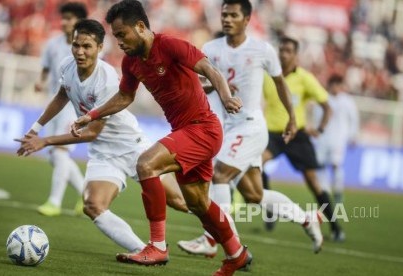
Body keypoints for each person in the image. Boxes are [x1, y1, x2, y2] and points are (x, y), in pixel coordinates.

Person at [72, 1, 250, 275]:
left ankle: (156, 246)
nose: (119, 41)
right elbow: (125, 97)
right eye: (115, 36)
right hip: (185, 132)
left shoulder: (170, 45)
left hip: (203, 129)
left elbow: (210, 70)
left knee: (146, 165)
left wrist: (226, 97)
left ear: (141, 27)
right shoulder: (131, 62)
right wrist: (92, 115)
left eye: (122, 34)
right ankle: (236, 253)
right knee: (199, 204)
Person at [16, 19, 188, 257]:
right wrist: (36, 128)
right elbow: (61, 96)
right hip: (103, 153)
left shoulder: (106, 78)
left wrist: (45, 140)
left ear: (99, 48)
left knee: (180, 201)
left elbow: (92, 132)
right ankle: (143, 250)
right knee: (93, 206)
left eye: (86, 46)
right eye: (76, 45)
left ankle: (223, 228)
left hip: (131, 148)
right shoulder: (67, 66)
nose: (79, 51)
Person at [177, 0, 323, 257]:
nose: (227, 19)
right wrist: (218, 87)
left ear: (246, 19)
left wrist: (291, 118)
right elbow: (199, 83)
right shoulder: (211, 48)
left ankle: (214, 240)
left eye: (234, 15)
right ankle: (306, 218)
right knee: (254, 194)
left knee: (219, 175)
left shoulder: (262, 49)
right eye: (224, 15)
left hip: (250, 127)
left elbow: (280, 85)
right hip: (226, 128)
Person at [261, 36, 345, 241]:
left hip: (296, 134)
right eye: (281, 49)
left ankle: (335, 226)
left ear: (296, 55)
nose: (283, 54)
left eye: (288, 50)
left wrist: (320, 129)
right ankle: (270, 209)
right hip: (272, 134)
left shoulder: (305, 78)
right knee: (257, 165)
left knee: (313, 183)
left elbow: (327, 106)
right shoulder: (267, 76)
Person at [33, 2, 87, 216]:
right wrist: (40, 81)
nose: (65, 22)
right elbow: (45, 68)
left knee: (59, 151)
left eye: (70, 18)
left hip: (73, 106)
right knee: (53, 155)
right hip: (54, 103)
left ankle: (54, 202)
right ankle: (86, 193)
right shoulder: (53, 44)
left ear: (79, 22)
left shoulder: (86, 47)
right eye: (63, 18)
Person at [312, 75, 359, 204]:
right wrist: (316, 135)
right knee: (320, 166)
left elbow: (353, 119)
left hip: (339, 140)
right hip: (323, 139)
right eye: (334, 84)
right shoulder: (323, 99)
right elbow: (316, 118)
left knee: (336, 165)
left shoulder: (347, 101)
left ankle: (338, 190)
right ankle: (325, 191)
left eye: (339, 84)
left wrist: (353, 135)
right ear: (330, 85)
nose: (336, 87)